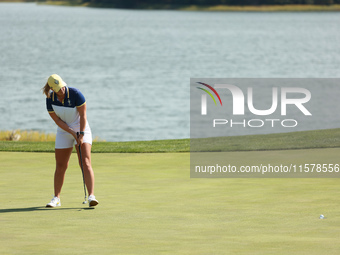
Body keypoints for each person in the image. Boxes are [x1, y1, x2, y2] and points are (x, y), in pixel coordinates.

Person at [42, 74, 99, 207]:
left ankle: (91, 196)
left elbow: (83, 115)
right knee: (61, 165)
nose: (61, 90)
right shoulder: (50, 99)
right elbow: (57, 120)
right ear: (52, 88)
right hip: (64, 130)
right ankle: (56, 198)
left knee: (85, 161)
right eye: (57, 88)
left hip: (81, 128)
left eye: (61, 86)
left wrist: (80, 133)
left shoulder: (76, 94)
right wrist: (72, 133)